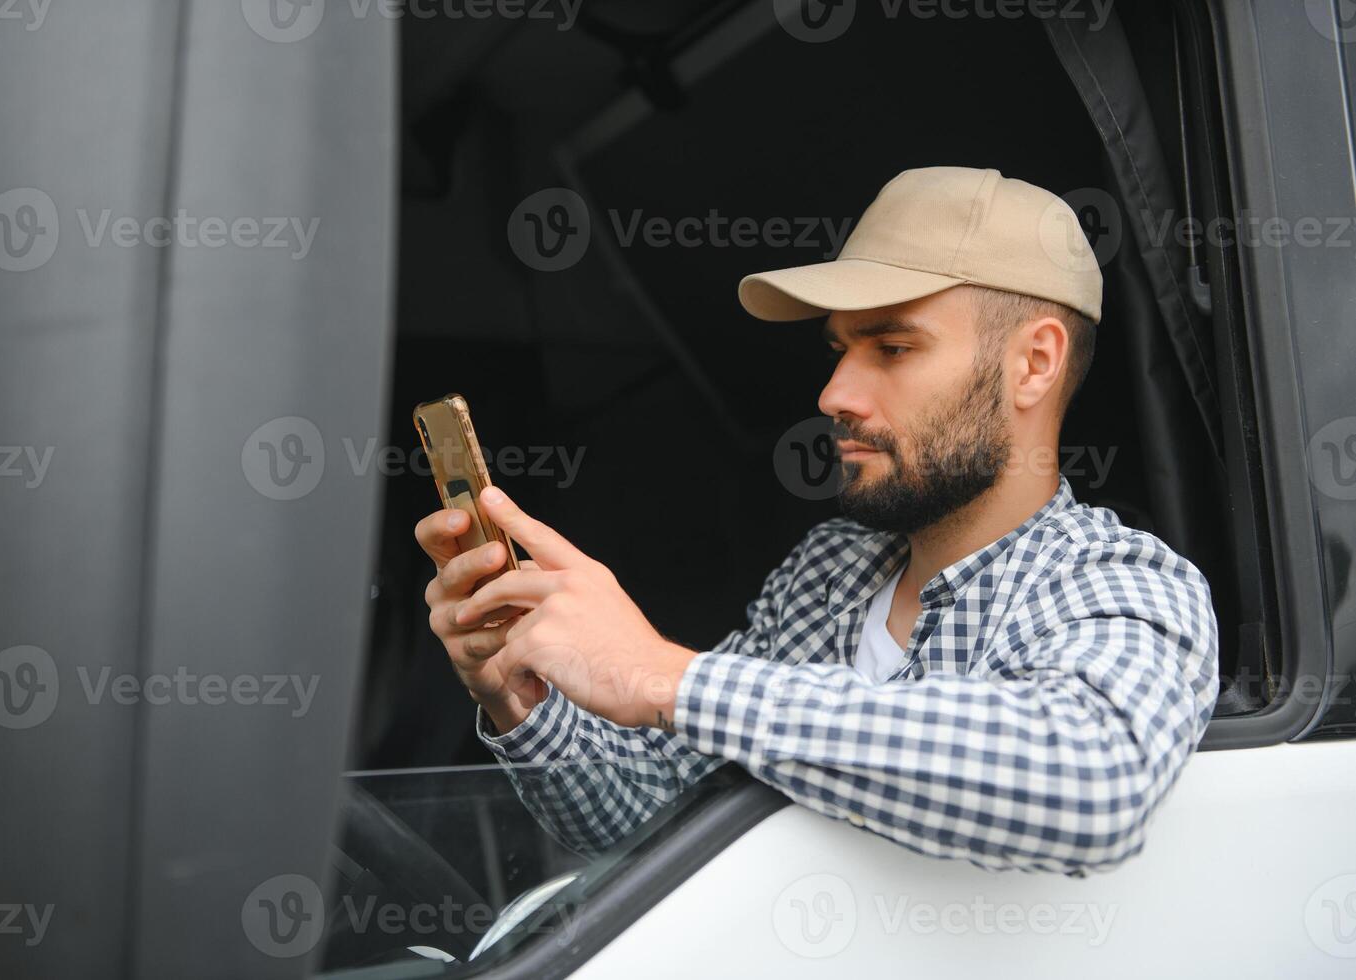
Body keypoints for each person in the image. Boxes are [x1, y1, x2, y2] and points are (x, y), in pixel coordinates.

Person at [415, 167, 1218, 875]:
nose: (834, 394)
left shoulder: (1121, 581)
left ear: (1033, 363)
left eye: (892, 347)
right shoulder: (827, 571)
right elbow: (640, 820)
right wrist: (517, 694)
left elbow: (1088, 787)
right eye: (838, 349)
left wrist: (667, 675)